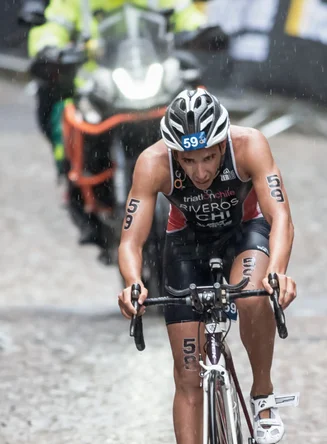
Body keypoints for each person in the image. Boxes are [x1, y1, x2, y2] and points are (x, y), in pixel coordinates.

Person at [118, 88, 297, 444]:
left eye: (210, 157)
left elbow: (279, 217)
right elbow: (131, 241)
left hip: (245, 235)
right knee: (187, 375)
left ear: (224, 142)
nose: (199, 171)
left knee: (254, 295)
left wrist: (278, 271)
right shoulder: (153, 162)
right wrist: (133, 283)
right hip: (186, 248)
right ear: (173, 152)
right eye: (188, 159)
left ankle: (261, 392)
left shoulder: (251, 145)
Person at [27, 0, 206, 255]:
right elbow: (54, 23)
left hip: (151, 79)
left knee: (199, 103)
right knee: (62, 116)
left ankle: (220, 192)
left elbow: (184, 11)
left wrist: (201, 29)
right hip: (96, 87)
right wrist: (47, 48)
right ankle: (75, 188)